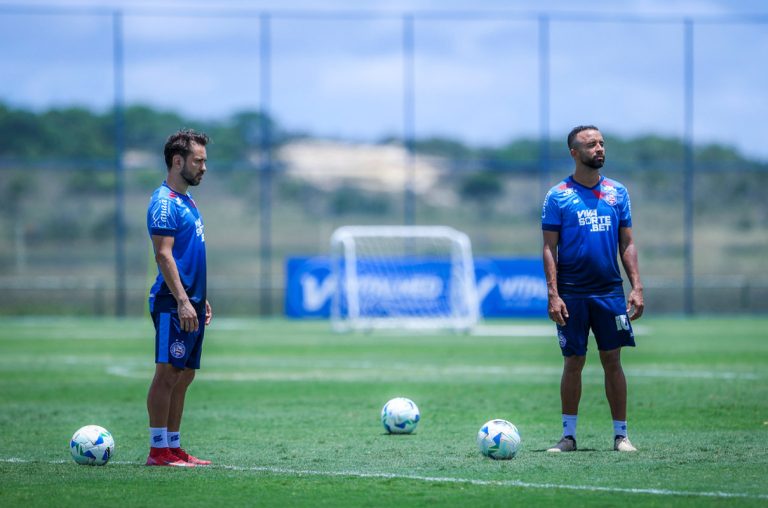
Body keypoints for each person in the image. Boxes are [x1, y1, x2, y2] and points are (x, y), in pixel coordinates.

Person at [541, 125, 644, 453]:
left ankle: (621, 436)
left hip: (609, 292)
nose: (599, 149)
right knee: (574, 361)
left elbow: (627, 243)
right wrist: (553, 293)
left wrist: (636, 286)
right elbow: (549, 248)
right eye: (590, 145)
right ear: (574, 152)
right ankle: (568, 437)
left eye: (601, 143)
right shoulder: (558, 195)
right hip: (571, 292)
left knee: (612, 360)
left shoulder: (618, 193)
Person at [145, 129, 213, 467]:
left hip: (191, 302)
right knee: (168, 373)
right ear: (177, 161)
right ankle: (158, 451)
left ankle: (173, 446)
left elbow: (190, 256)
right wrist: (184, 301)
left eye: (204, 160)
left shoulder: (187, 200)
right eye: (198, 161)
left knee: (184, 374)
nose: (203, 167)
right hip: (173, 303)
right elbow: (164, 256)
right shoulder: (163, 203)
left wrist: (200, 300)